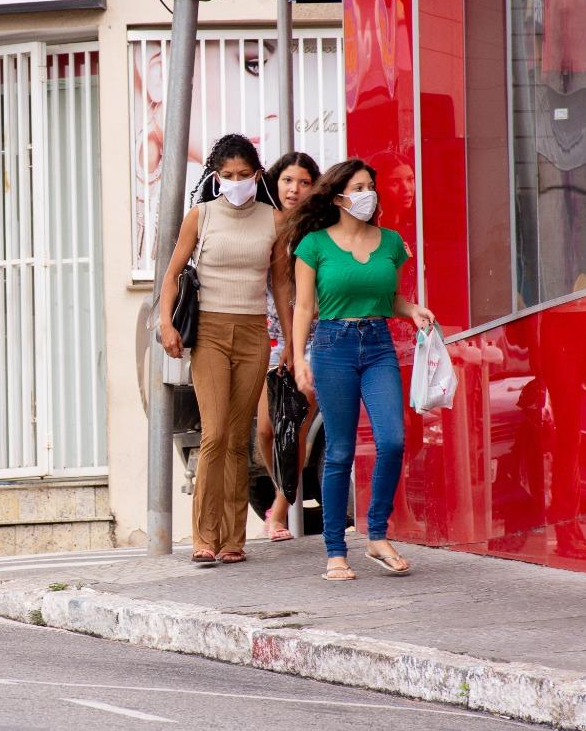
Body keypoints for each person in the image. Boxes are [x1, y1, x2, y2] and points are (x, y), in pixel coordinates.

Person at [289, 159, 436, 581]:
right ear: (338, 197)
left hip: (377, 345)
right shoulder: (313, 245)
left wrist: (412, 311)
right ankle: (335, 550)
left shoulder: (391, 242)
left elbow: (389, 298)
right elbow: (303, 307)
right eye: (358, 187)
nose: (367, 194)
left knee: (392, 440)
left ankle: (376, 534)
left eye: (371, 186)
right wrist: (299, 359)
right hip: (332, 345)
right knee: (339, 451)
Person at [159, 134, 294, 566]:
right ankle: (204, 536)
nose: (236, 183)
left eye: (244, 175)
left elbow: (280, 285)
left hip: (254, 333)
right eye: (228, 176)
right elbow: (173, 273)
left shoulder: (273, 220)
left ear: (258, 174)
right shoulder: (201, 216)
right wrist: (166, 323)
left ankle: (234, 540)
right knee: (215, 434)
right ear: (216, 177)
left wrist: (290, 342)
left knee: (239, 439)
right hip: (212, 332)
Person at [255, 152, 322, 541]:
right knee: (266, 429)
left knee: (292, 424)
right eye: (287, 181)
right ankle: (285, 486)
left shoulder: (318, 229)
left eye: (304, 182)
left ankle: (280, 507)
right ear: (275, 182)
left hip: (312, 337)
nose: (294, 189)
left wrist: (296, 344)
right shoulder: (262, 224)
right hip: (270, 334)